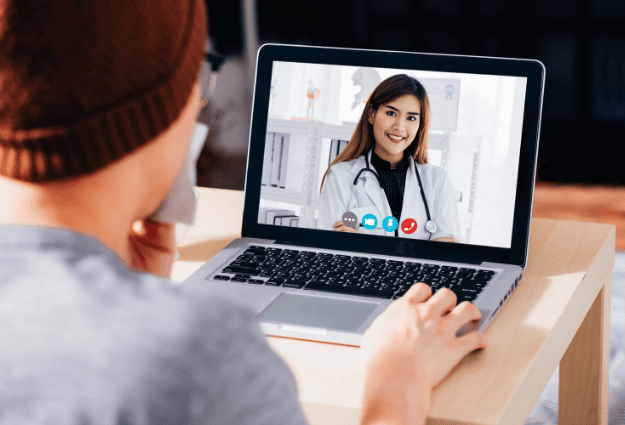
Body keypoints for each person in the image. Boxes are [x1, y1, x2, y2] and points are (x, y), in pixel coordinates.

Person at [0, 1, 486, 424]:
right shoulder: (207, 355)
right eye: (200, 76)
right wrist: (396, 383)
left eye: (412, 117)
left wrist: (129, 295)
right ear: (162, 110)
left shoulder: (434, 180)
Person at [318, 74, 462, 242]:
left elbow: (447, 252)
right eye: (391, 113)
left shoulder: (437, 181)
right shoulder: (340, 177)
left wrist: (363, 243)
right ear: (371, 114)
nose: (399, 127)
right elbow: (332, 248)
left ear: (419, 125)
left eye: (411, 118)